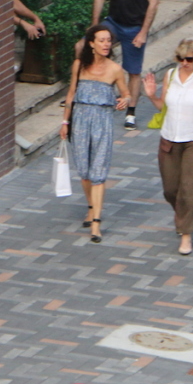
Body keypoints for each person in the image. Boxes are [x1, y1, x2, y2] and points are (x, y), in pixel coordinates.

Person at [141, 39, 193, 256]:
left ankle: (186, 234)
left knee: (190, 190)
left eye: (189, 59)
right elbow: (163, 106)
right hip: (169, 139)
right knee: (171, 189)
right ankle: (184, 216)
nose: (185, 63)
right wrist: (151, 95)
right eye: (180, 58)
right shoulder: (170, 76)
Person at [60, 24, 130, 243]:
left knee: (98, 171)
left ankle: (96, 224)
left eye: (108, 40)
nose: (106, 44)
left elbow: (126, 94)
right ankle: (91, 207)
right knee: (84, 170)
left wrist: (124, 100)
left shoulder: (115, 69)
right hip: (80, 119)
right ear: (91, 43)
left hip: (102, 120)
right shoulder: (79, 66)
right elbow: (71, 93)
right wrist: (65, 121)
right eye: (101, 40)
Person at [93, 0, 159, 131]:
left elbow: (153, 2)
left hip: (134, 26)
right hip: (113, 21)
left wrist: (143, 32)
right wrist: (95, 27)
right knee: (85, 48)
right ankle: (90, 94)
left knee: (133, 71)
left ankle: (130, 111)